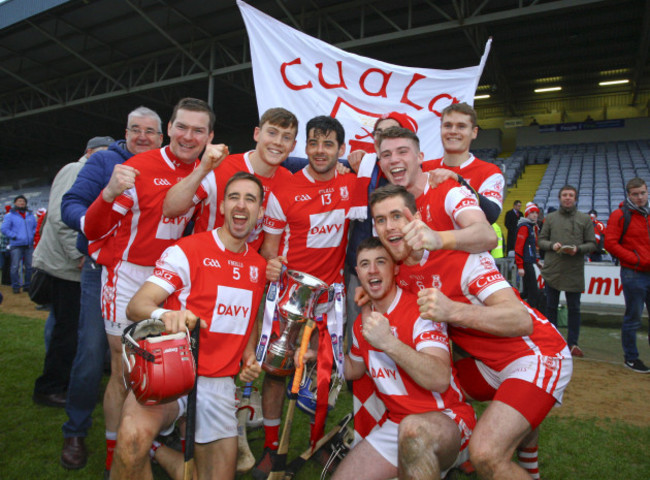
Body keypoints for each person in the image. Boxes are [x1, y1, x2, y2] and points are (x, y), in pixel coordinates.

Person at [369, 184, 572, 480]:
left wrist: (453, 311)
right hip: (486, 365)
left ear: (416, 218)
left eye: (397, 216)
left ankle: (504, 454)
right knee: (440, 390)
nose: (389, 227)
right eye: (380, 220)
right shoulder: (398, 272)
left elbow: (520, 319)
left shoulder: (462, 258)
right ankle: (478, 448)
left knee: (486, 454)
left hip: (535, 353)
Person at [83, 98, 227, 477]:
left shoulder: (209, 172)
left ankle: (156, 439)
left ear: (210, 137)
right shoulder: (139, 167)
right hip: (129, 274)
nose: (189, 136)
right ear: (170, 130)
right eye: (182, 127)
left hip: (175, 277)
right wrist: (110, 192)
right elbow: (91, 230)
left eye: (199, 130)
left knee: (171, 363)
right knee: (124, 368)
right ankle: (118, 451)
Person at [111, 172, 267, 480]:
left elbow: (248, 319)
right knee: (131, 442)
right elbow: (136, 306)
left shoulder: (257, 266)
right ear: (222, 206)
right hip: (172, 371)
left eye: (251, 199)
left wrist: (248, 355)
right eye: (234, 196)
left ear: (261, 212)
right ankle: (150, 449)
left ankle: (160, 452)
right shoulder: (187, 250)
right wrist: (165, 316)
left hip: (218, 384)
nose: (241, 205)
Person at [254, 115, 367, 478]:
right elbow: (269, 249)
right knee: (275, 372)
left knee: (320, 374)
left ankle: (315, 440)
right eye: (314, 143)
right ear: (305, 147)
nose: (320, 151)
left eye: (328, 144)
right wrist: (273, 264)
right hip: (290, 294)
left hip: (331, 297)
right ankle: (273, 446)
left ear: (341, 149)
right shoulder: (284, 190)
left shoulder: (352, 185)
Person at [60, 109, 163, 471]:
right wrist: (100, 211)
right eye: (135, 129)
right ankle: (76, 430)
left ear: (161, 137)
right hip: (102, 268)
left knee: (153, 358)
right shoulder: (105, 161)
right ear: (125, 133)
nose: (142, 136)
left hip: (152, 275)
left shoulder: (166, 164)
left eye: (150, 131)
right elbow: (69, 205)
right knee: (91, 354)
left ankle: (146, 439)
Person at [333, 237, 475, 480]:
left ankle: (445, 465)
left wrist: (388, 342)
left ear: (395, 267)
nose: (373, 270)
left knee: (414, 433)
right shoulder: (361, 324)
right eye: (365, 264)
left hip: (447, 419)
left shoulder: (421, 311)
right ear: (358, 272)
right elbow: (354, 369)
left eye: (381, 262)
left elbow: (440, 379)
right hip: (398, 424)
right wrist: (321, 355)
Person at [31, 136, 113, 412]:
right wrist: (78, 254)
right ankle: (52, 386)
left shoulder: (88, 171)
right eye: (102, 153)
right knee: (66, 330)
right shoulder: (76, 170)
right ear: (89, 152)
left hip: (67, 264)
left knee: (62, 325)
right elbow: (60, 217)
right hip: (65, 267)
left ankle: (66, 378)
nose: (106, 159)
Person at [162, 107, 298, 251]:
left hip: (248, 268)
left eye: (286, 137)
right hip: (203, 261)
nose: (278, 142)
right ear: (257, 134)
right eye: (272, 133)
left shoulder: (288, 180)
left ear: (293, 146)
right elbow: (170, 209)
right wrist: (202, 169)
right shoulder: (221, 166)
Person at [422, 102, 505, 224]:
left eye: (461, 126)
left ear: (474, 132)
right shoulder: (424, 168)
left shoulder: (489, 172)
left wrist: (458, 180)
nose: (453, 131)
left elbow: (491, 215)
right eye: (447, 126)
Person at [539, 185, 596, 358]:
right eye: (565, 195)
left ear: (575, 198)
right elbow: (541, 240)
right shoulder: (550, 218)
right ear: (560, 198)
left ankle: (573, 344)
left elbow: (592, 244)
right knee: (550, 308)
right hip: (553, 269)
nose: (568, 198)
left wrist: (577, 249)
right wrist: (551, 245)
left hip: (574, 270)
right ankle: (553, 342)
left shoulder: (584, 219)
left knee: (574, 309)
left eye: (571, 195)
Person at [604, 177, 650, 373]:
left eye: (643, 193)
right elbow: (610, 243)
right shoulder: (620, 215)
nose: (640, 197)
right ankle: (631, 358)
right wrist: (636, 260)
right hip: (634, 273)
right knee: (633, 317)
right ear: (629, 195)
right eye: (635, 194)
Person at [1, 194, 37, 293]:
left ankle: (27, 286)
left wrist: (32, 235)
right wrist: (14, 236)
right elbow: (4, 229)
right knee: (15, 266)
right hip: (16, 245)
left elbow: (35, 227)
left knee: (29, 266)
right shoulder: (10, 215)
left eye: (23, 201)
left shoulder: (30, 215)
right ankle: (16, 286)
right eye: (20, 201)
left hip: (29, 244)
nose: (22, 203)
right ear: (15, 203)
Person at [515, 202, 542, 311]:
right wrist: (520, 266)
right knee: (533, 289)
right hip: (525, 262)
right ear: (527, 214)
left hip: (527, 261)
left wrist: (536, 260)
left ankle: (515, 304)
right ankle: (532, 311)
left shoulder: (530, 227)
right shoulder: (524, 227)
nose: (535, 215)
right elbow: (519, 247)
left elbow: (529, 248)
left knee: (527, 291)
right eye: (532, 213)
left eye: (536, 213)